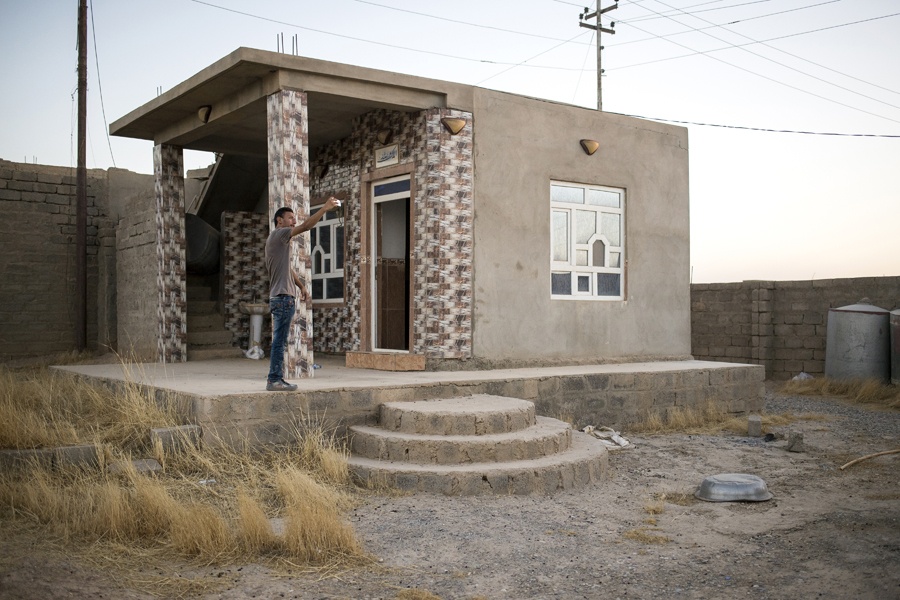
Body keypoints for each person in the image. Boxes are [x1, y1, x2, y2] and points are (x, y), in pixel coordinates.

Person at [265, 197, 340, 391]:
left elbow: (288, 269)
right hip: (282, 299)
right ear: (279, 221)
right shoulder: (280, 234)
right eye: (290, 218)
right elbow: (307, 226)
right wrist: (325, 208)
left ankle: (276, 379)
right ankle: (274, 380)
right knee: (279, 343)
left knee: (280, 342)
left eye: (293, 218)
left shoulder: (278, 242)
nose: (293, 221)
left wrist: (301, 287)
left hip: (282, 298)